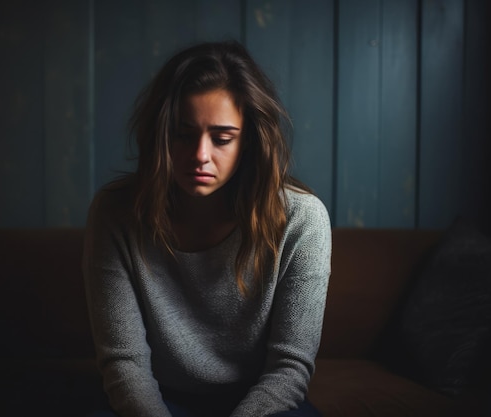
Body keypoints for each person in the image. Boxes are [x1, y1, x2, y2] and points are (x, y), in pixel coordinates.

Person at [82, 40, 332, 417]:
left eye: (221, 138)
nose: (200, 155)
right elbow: (124, 363)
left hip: (263, 406)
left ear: (248, 141)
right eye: (184, 134)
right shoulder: (115, 213)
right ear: (162, 135)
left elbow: (289, 369)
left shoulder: (302, 219)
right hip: (154, 400)